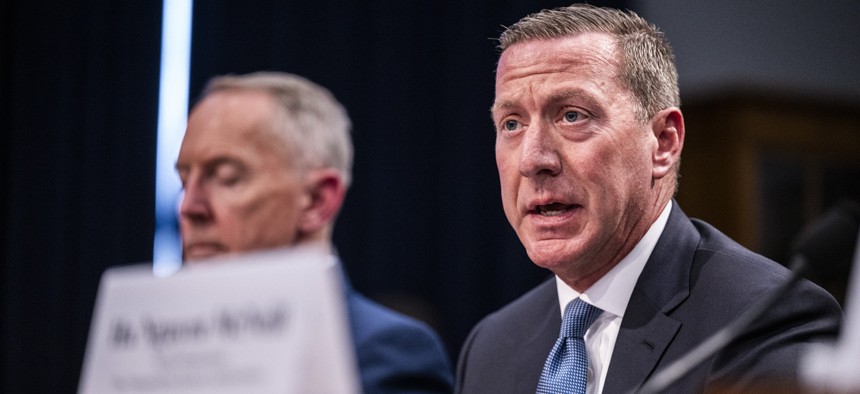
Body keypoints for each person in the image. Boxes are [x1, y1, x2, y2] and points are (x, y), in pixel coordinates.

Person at [455, 4, 842, 393]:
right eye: (512, 123)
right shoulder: (491, 348)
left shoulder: (761, 321)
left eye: (572, 115)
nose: (532, 159)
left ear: (663, 143)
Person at [176, 71, 454, 393]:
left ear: (316, 200)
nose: (189, 207)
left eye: (227, 177)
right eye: (184, 182)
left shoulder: (387, 352)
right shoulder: (160, 351)